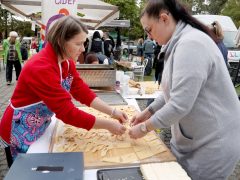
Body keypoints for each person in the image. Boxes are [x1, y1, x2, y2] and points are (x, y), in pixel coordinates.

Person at [128, 0, 240, 179]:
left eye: (148, 29)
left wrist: (144, 128)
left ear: (164, 18)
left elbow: (179, 104)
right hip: (196, 140)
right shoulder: (178, 42)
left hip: (213, 144)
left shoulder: (191, 44)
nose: (148, 36)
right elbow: (171, 92)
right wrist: (149, 111)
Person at [0, 16, 128, 167]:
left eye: (84, 43)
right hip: (19, 129)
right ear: (61, 41)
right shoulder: (41, 67)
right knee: (24, 172)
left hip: (39, 125)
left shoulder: (66, 62)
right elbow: (67, 113)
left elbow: (82, 92)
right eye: (78, 44)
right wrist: (108, 125)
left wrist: (113, 112)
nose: (83, 49)